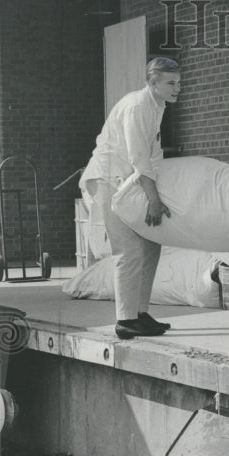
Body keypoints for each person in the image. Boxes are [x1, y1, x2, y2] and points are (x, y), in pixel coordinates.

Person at [79, 57, 180, 340]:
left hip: (127, 180)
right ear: (152, 83)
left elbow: (153, 154)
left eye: (179, 82)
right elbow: (138, 156)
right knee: (129, 249)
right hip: (107, 179)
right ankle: (125, 320)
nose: (178, 88)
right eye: (171, 83)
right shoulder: (137, 105)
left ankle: (140, 313)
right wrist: (153, 199)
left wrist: (161, 192)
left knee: (151, 245)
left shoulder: (157, 106)